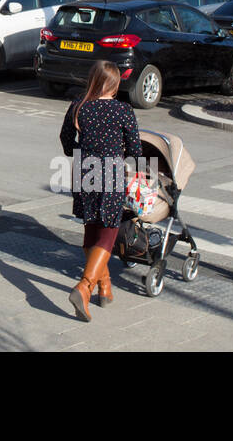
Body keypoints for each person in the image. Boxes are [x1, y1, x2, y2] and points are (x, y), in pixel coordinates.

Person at [59, 60, 141, 322]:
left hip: (85, 170)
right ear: (116, 84)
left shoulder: (79, 106)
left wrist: (80, 153)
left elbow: (65, 139)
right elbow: (136, 149)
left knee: (91, 228)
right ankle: (84, 287)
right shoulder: (123, 110)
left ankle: (104, 287)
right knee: (108, 232)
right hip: (111, 172)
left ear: (92, 80)